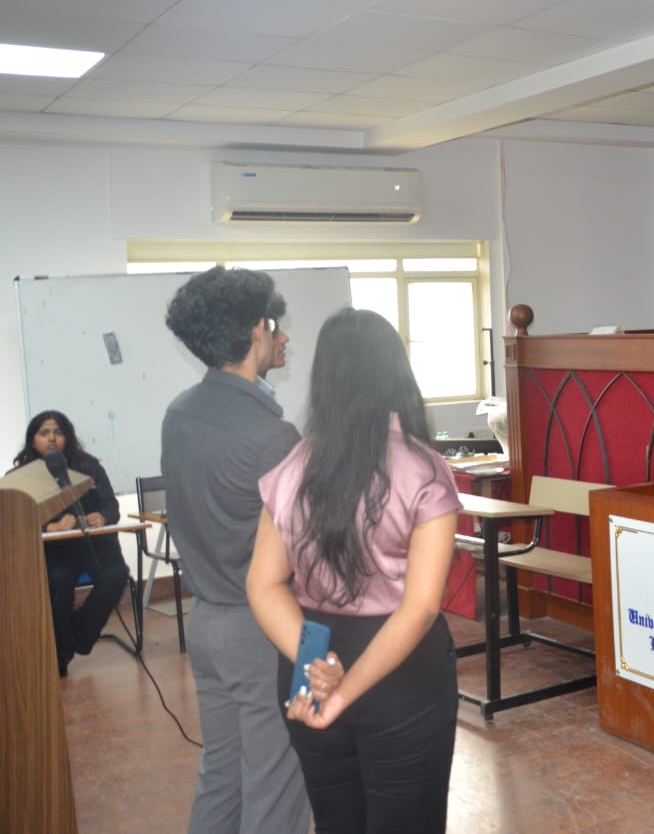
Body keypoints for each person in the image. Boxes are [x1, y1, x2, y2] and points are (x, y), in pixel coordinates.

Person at [247, 308, 461, 833]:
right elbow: (420, 608)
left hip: (310, 659)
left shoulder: (292, 467)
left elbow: (263, 584)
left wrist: (317, 667)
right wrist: (343, 690)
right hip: (401, 672)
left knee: (336, 820)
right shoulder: (423, 469)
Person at [161, 267, 310, 834]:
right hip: (263, 629)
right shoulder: (273, 437)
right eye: (276, 325)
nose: (284, 337)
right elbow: (303, 553)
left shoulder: (181, 411)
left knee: (222, 774)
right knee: (277, 782)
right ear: (254, 331)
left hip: (206, 622)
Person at [15, 410, 132, 676]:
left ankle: (79, 633)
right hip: (54, 550)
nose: (52, 438)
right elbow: (14, 519)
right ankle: (60, 656)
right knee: (58, 582)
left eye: (58, 432)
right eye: (44, 433)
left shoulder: (89, 466)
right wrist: (49, 527)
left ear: (67, 436)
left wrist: (102, 516)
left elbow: (110, 505)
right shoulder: (22, 476)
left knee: (115, 574)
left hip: (94, 544)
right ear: (33, 439)